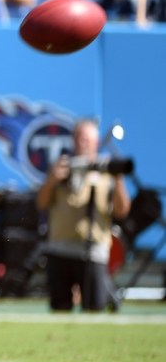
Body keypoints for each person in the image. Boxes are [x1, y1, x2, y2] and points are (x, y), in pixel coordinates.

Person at [35, 119, 131, 312]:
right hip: (60, 249)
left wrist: (118, 177)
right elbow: (41, 203)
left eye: (87, 138)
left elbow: (121, 211)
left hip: (93, 252)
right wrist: (52, 180)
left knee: (94, 309)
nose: (82, 142)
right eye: (79, 137)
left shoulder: (106, 171)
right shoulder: (61, 167)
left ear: (96, 142)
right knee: (59, 308)